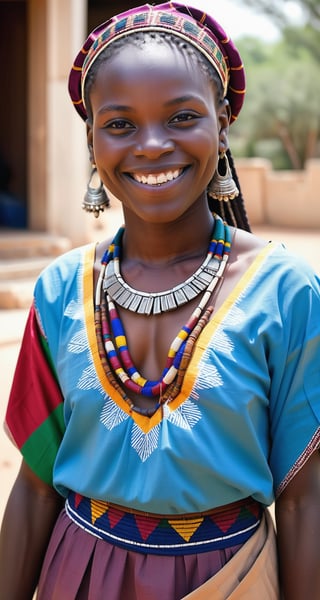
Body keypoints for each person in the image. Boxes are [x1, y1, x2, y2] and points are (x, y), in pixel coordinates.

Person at [0, 2, 320, 598]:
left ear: (222, 125)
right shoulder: (61, 290)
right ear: (92, 138)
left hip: (231, 581)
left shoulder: (286, 292)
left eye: (181, 117)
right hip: (79, 577)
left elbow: (305, 504)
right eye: (120, 124)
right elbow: (36, 487)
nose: (151, 145)